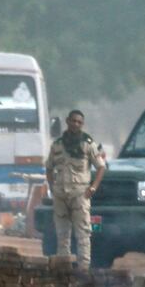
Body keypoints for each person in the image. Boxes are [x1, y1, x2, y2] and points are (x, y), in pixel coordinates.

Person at [45, 110, 106, 271]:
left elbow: (101, 167)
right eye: (73, 121)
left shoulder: (87, 143)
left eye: (79, 122)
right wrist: (52, 187)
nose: (76, 124)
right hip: (60, 194)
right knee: (62, 233)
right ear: (67, 121)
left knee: (83, 233)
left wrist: (93, 187)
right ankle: (63, 268)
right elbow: (49, 168)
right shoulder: (57, 145)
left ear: (82, 124)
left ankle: (83, 269)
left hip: (80, 193)